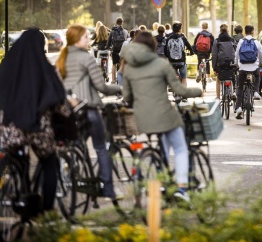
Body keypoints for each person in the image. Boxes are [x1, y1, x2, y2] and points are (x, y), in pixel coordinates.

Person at [0, 28, 67, 212]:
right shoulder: (45, 68)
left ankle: (20, 192)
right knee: (49, 160)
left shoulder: (6, 66)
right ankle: (46, 210)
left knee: (18, 154)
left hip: (11, 127)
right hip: (37, 127)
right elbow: (59, 101)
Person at [121, 31, 202, 201]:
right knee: (180, 149)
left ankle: (161, 178)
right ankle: (182, 189)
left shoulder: (128, 67)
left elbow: (127, 97)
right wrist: (197, 91)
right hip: (165, 116)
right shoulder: (161, 64)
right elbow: (178, 90)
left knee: (162, 146)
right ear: (153, 46)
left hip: (143, 120)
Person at [56, 24, 122, 200]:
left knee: (78, 146)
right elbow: (101, 86)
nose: (88, 40)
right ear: (77, 39)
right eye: (86, 37)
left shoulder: (61, 58)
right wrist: (120, 89)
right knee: (101, 147)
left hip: (70, 112)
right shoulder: (86, 58)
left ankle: (72, 174)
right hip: (89, 109)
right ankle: (108, 190)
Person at [234, 25, 262, 119]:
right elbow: (260, 53)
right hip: (254, 66)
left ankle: (238, 107)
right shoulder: (256, 41)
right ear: (252, 32)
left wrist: (236, 64)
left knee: (240, 86)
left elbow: (237, 53)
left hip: (242, 66)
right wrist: (260, 63)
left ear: (245, 32)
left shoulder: (241, 41)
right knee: (258, 76)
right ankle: (255, 92)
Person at [164, 21, 194, 87]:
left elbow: (165, 50)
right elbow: (189, 46)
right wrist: (192, 52)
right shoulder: (183, 38)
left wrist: (168, 56)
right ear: (180, 29)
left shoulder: (168, 38)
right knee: (184, 78)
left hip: (171, 61)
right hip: (181, 61)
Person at [212, 24, 236, 100]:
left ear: (220, 31)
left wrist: (214, 67)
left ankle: (218, 97)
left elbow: (214, 55)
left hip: (221, 63)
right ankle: (234, 92)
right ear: (227, 30)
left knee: (218, 78)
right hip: (231, 62)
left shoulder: (217, 41)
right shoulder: (232, 40)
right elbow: (236, 51)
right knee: (232, 75)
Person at [106, 17, 129, 84]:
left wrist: (108, 47)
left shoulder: (112, 31)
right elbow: (127, 41)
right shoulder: (125, 31)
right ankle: (121, 79)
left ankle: (113, 79)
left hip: (115, 50)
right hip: (122, 51)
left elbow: (109, 41)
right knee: (121, 64)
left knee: (114, 64)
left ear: (116, 22)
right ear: (122, 23)